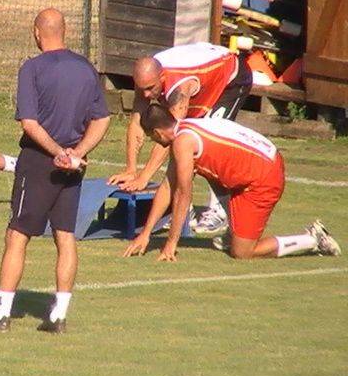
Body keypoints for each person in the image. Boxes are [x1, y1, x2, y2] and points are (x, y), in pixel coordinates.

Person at [0, 8, 110, 334]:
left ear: (36, 32)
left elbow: (30, 123)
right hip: (74, 167)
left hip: (38, 162)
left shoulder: (32, 68)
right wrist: (77, 153)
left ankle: (0, 315)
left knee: (17, 234)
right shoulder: (86, 68)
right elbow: (102, 118)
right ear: (66, 30)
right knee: (65, 236)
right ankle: (58, 317)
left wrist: (58, 153)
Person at [123, 104, 341, 261]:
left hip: (264, 178)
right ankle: (233, 232)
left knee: (243, 252)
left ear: (158, 132)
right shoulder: (185, 130)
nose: (156, 144)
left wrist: (171, 242)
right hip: (260, 164)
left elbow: (182, 194)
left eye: (153, 139)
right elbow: (168, 187)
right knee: (209, 172)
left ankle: (312, 239)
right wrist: (146, 234)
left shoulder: (183, 141)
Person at [108, 42, 252, 235]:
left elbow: (171, 135)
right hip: (203, 85)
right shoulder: (145, 81)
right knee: (185, 146)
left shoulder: (180, 86)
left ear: (162, 77)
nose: (147, 95)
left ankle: (219, 212)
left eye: (151, 88)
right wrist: (131, 170)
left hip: (231, 79)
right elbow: (136, 123)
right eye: (142, 89)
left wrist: (145, 177)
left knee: (203, 145)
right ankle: (184, 209)